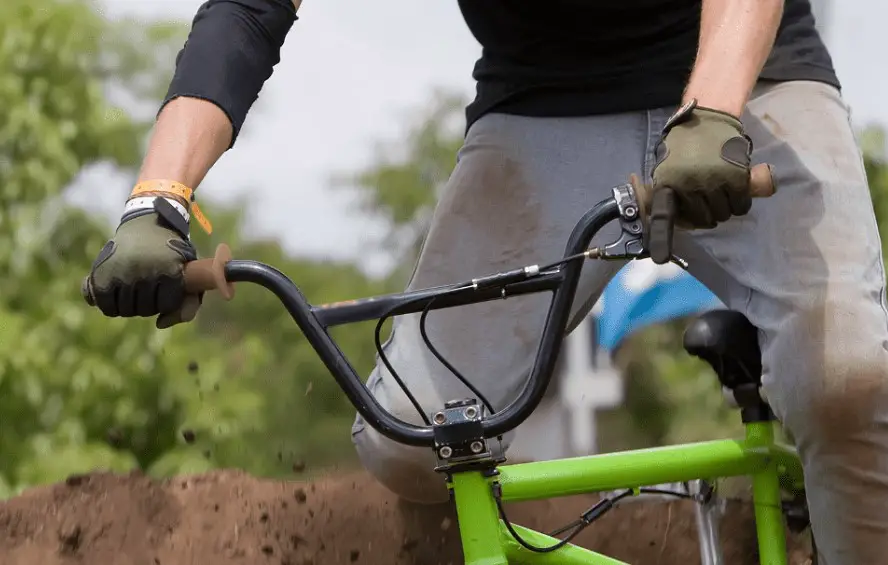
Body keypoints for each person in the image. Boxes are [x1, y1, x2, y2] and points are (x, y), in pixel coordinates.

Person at [82, 1, 888, 563]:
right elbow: (246, 11)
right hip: (543, 110)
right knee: (413, 442)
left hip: (753, 88)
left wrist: (713, 113)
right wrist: (157, 199)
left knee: (844, 381)